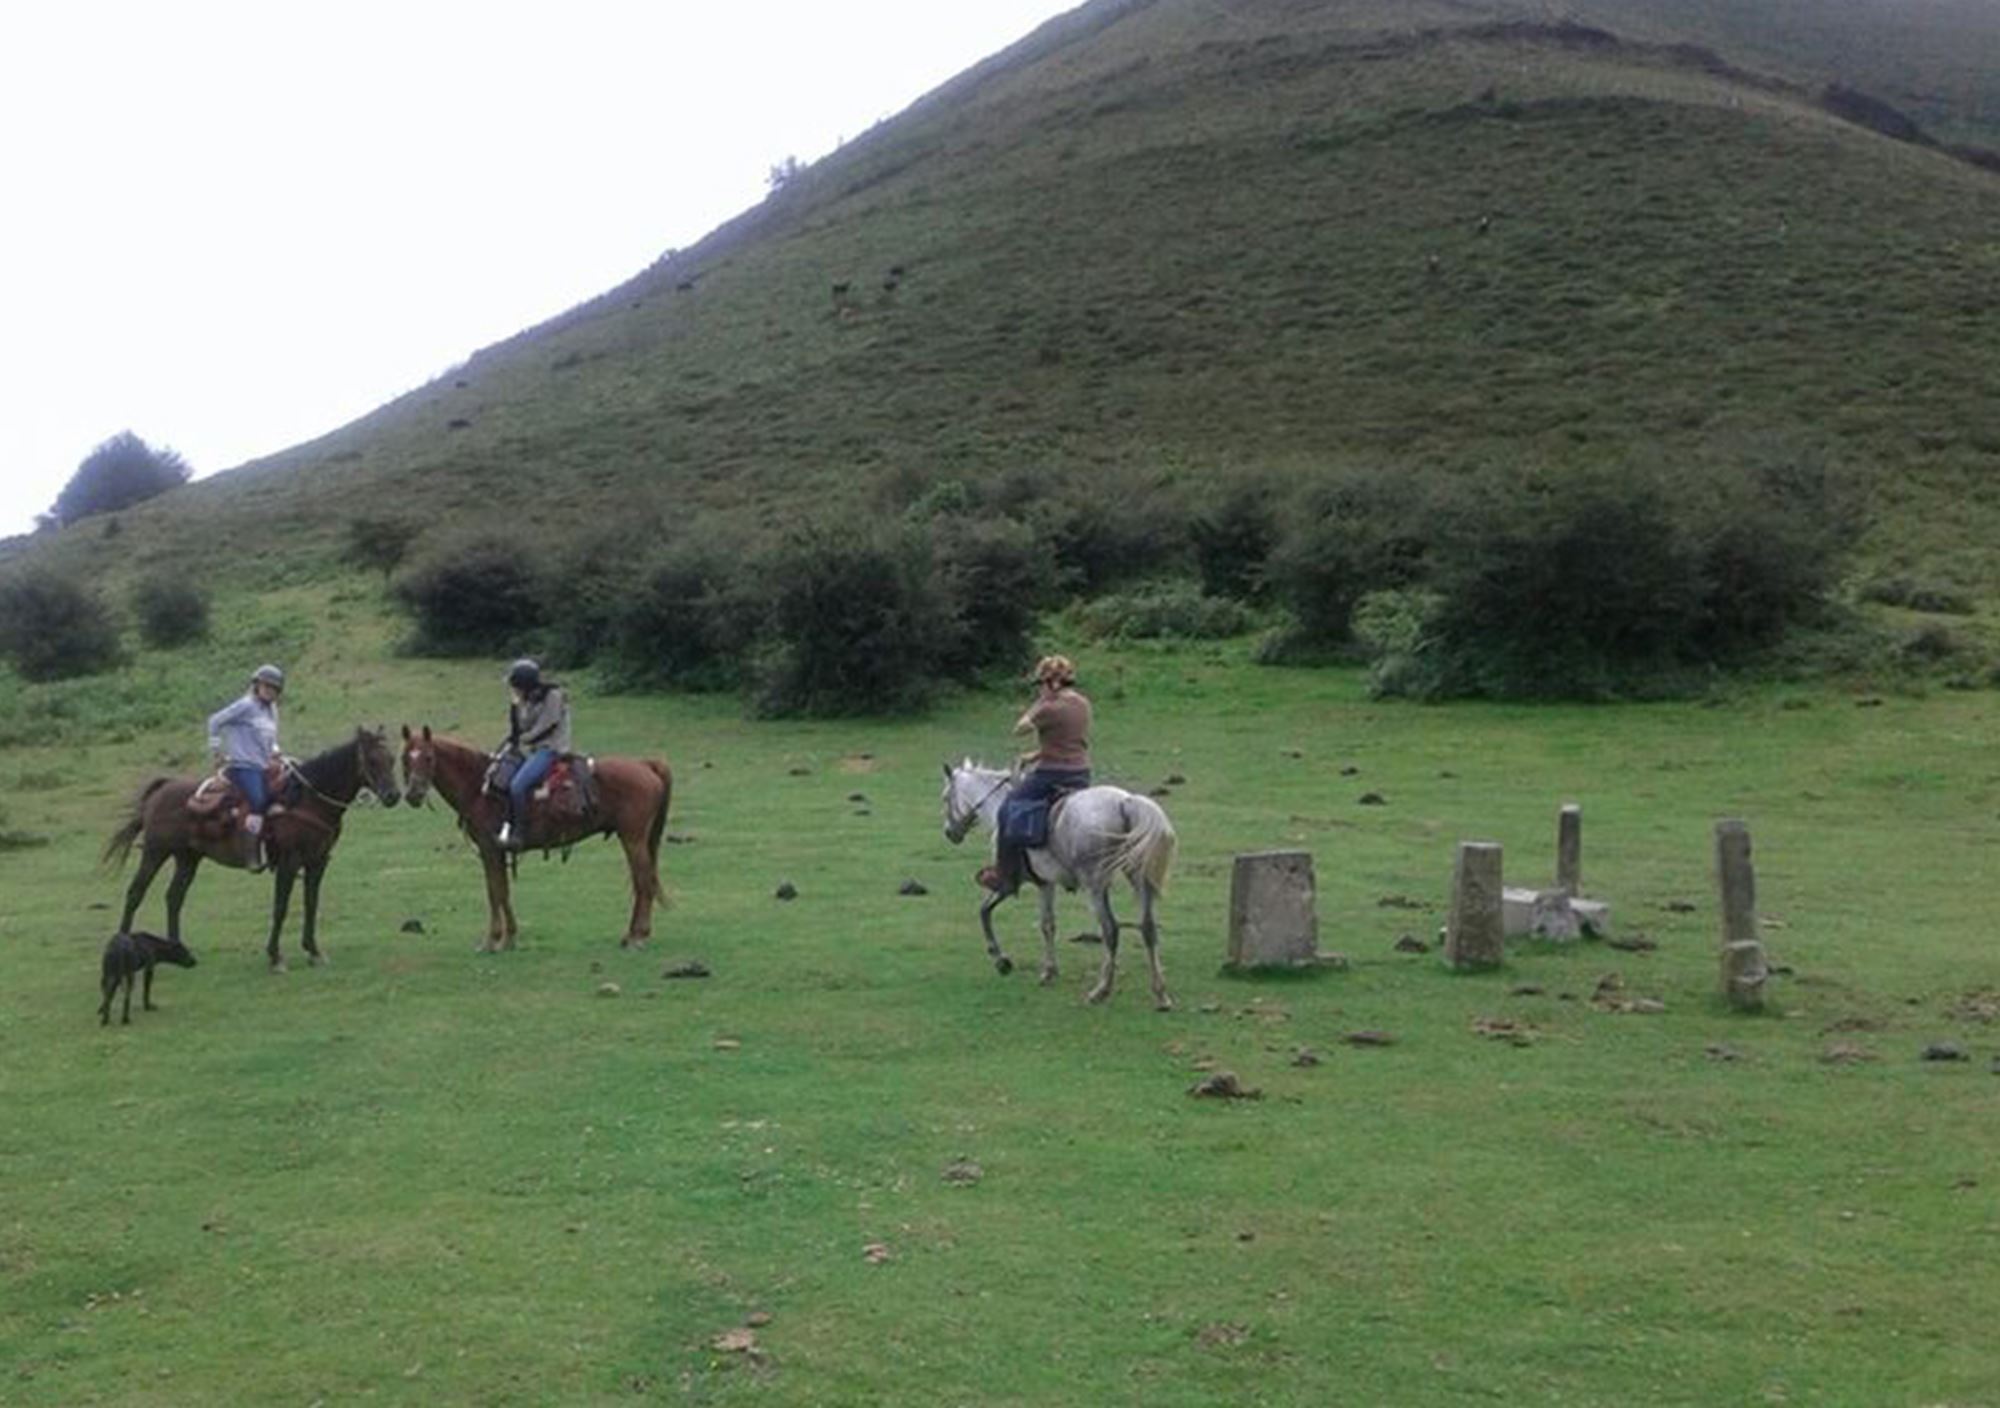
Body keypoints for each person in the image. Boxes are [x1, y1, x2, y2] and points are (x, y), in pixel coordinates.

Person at [979, 654, 1093, 895]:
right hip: (1081, 774)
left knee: (1008, 809)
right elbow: (1067, 741)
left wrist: (1039, 704)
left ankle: (1004, 875)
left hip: (1053, 774)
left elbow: (1018, 729)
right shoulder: (1083, 703)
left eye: (1041, 684)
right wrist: (1036, 754)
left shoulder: (1048, 707)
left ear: (1051, 683)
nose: (1039, 690)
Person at [207, 664, 285, 869]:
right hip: (243, 765)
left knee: (285, 792)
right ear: (256, 685)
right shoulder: (246, 705)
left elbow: (271, 738)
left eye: (274, 688)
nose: (269, 691)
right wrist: (216, 750)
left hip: (263, 765)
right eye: (266, 686)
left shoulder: (272, 711)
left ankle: (277, 851)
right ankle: (250, 854)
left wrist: (276, 750)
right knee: (259, 800)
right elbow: (215, 721)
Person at [496, 658, 570, 850]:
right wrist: (515, 706)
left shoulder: (553, 695)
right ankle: (505, 824)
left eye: (516, 686)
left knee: (517, 785)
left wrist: (525, 739)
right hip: (534, 750)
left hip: (551, 750)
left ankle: (520, 832)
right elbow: (520, 726)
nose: (515, 690)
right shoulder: (529, 700)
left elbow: (548, 725)